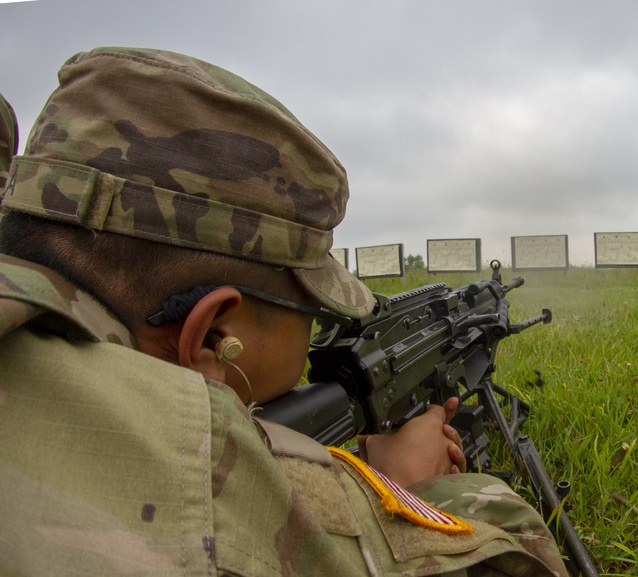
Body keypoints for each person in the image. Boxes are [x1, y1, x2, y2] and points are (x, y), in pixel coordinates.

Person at [0, 47, 568, 576]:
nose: (317, 342)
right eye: (315, 318)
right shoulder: (183, 487)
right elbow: (519, 552)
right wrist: (401, 491)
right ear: (214, 337)